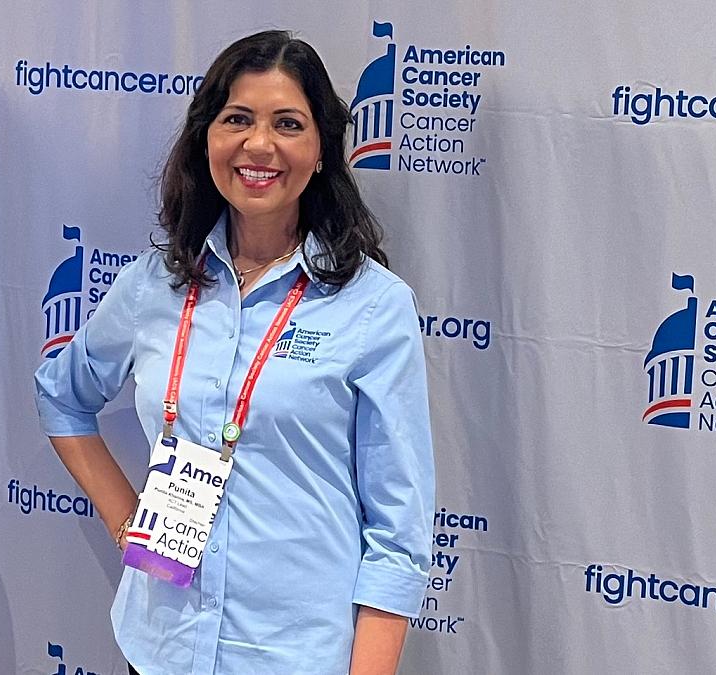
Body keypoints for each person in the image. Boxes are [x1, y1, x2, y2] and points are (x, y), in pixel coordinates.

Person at [34, 30, 434, 675]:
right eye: (237, 120)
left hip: (294, 657)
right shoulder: (153, 285)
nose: (259, 145)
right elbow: (63, 394)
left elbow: (399, 532)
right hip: (160, 648)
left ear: (322, 151)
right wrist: (125, 519)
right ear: (206, 139)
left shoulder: (374, 306)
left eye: (288, 124)